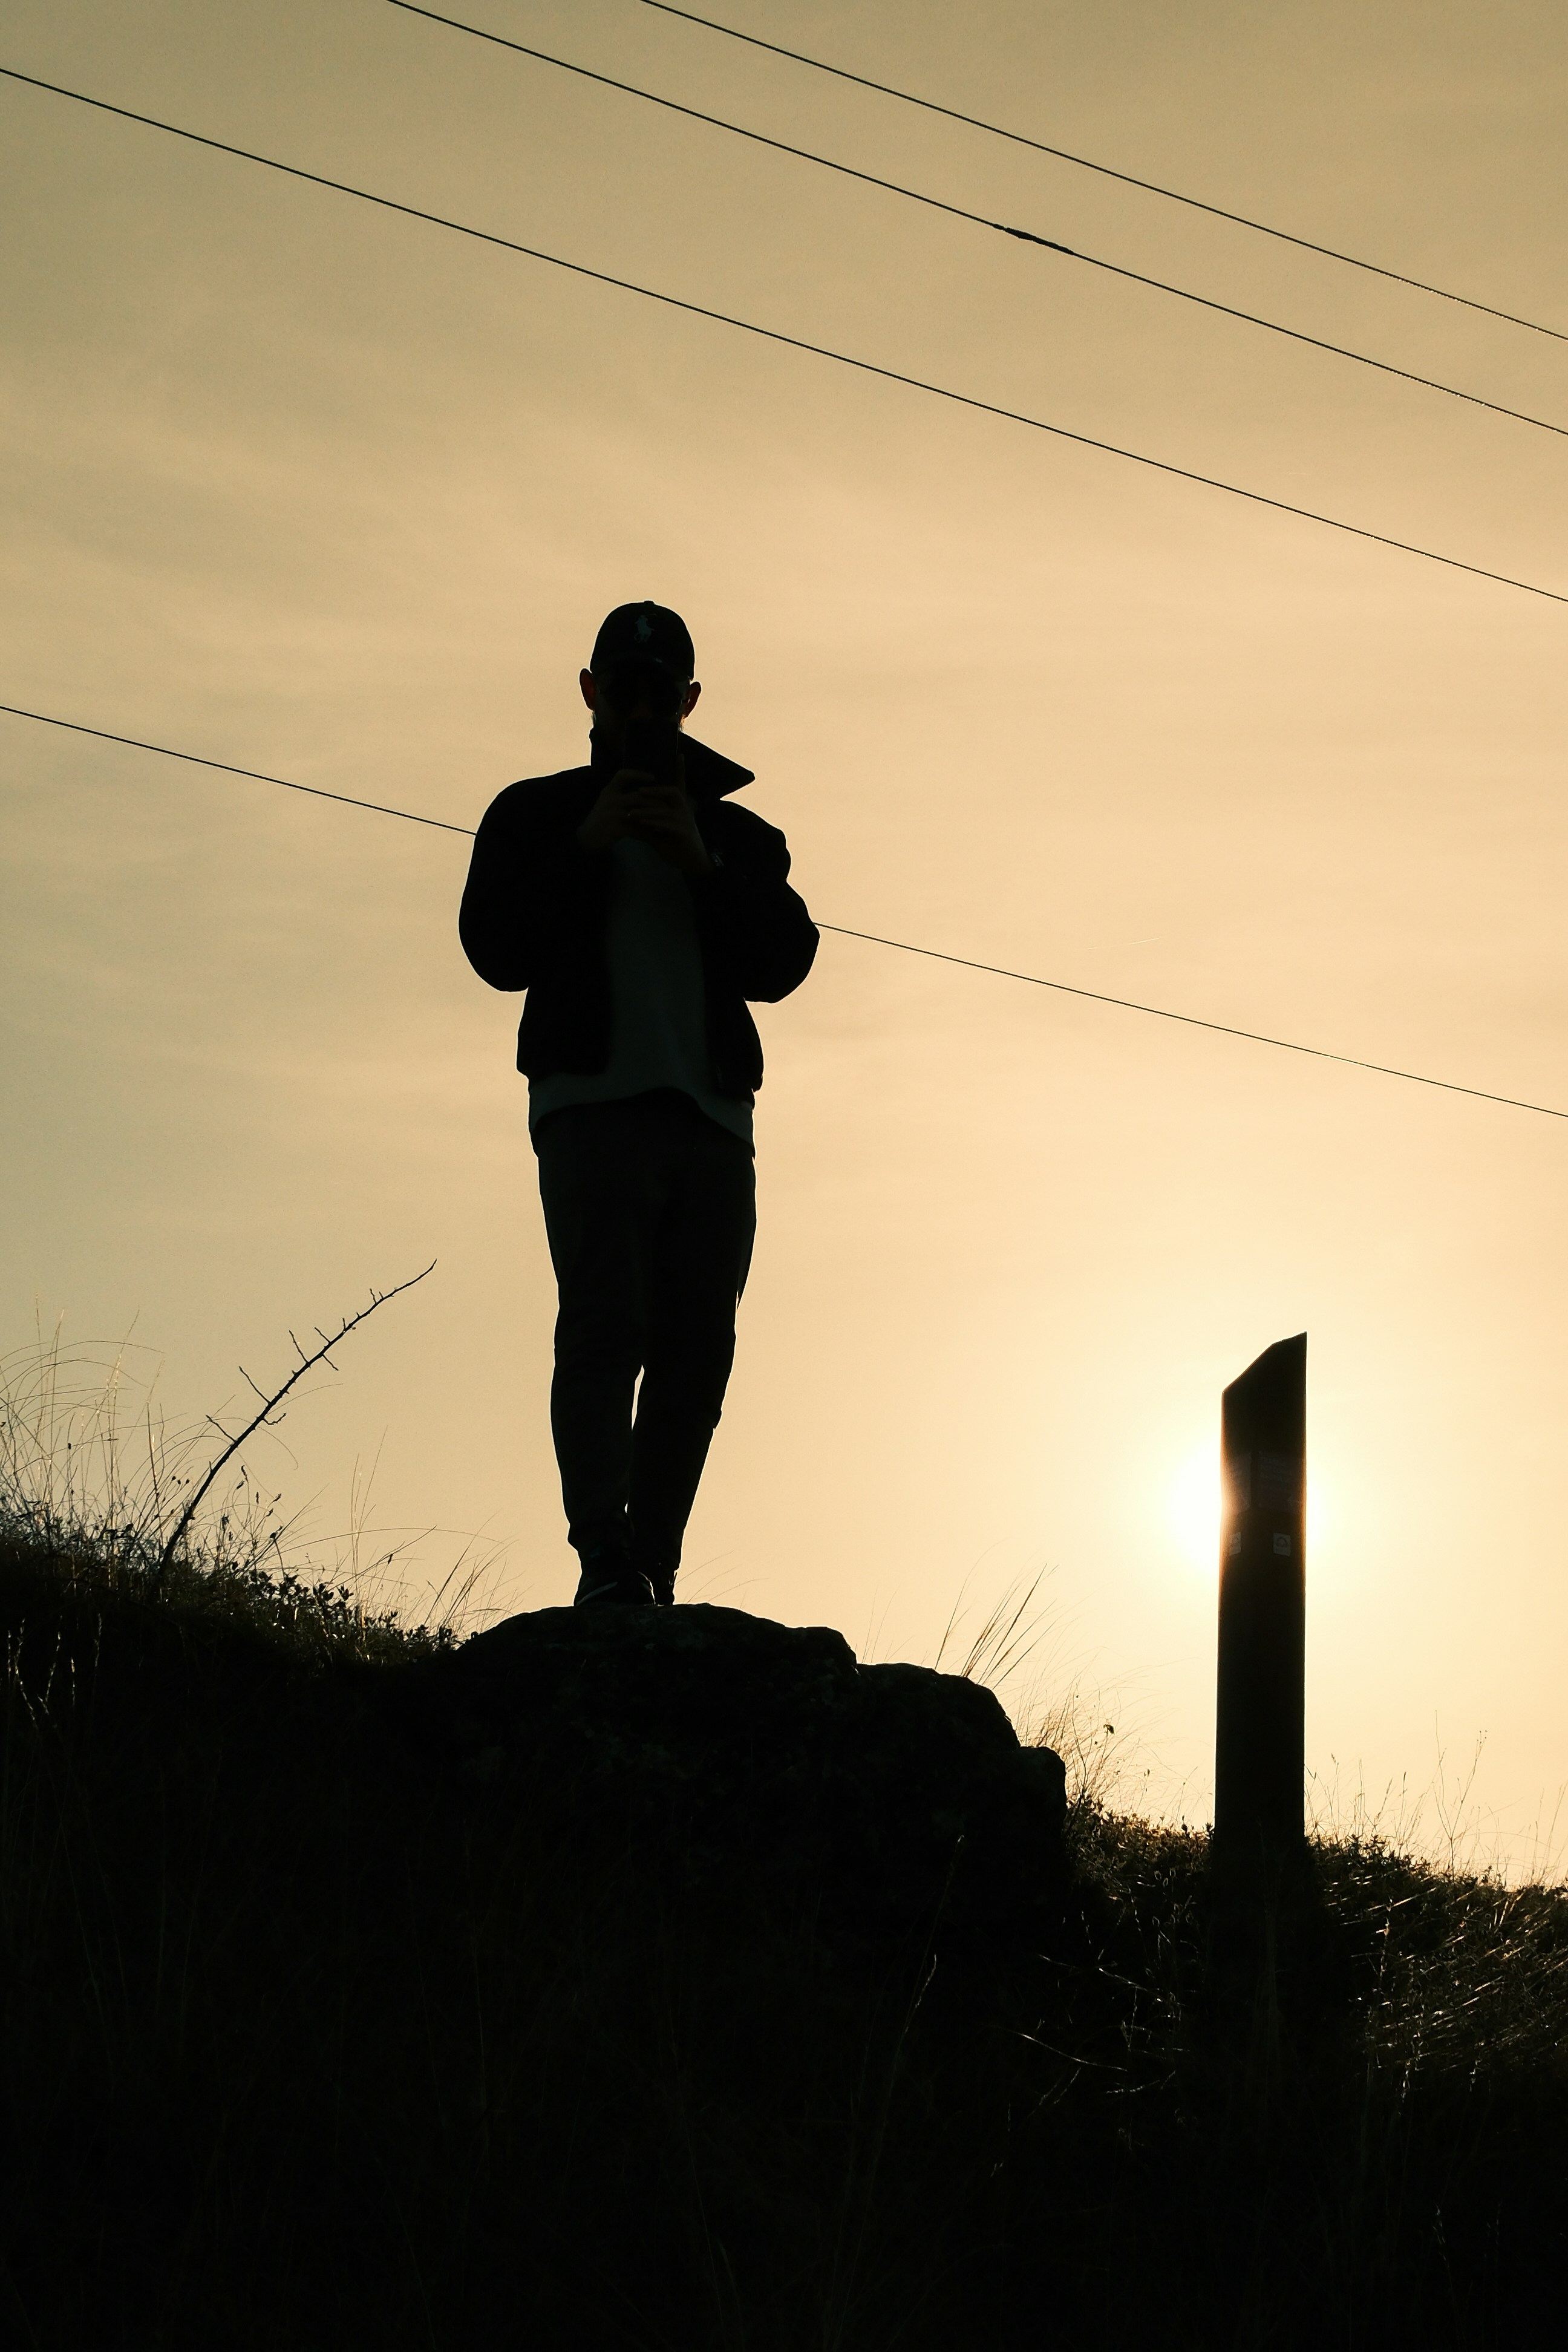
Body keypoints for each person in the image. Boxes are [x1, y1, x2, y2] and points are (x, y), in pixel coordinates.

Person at [459, 601, 818, 1607]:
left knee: (697, 1350)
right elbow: (494, 949)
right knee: (604, 1328)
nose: (644, 712)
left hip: (712, 1121)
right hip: (592, 1109)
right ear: (590, 692)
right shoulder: (533, 814)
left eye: (662, 695)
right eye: (626, 692)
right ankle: (604, 1558)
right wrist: (587, 844)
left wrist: (702, 865)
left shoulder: (740, 836)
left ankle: (649, 1567)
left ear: (690, 700)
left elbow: (785, 961)